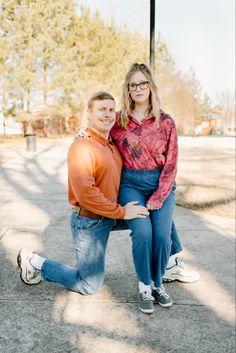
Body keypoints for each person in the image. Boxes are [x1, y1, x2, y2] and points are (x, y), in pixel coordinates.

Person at [17, 91, 149, 296]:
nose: (107, 114)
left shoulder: (110, 142)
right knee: (89, 286)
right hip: (90, 221)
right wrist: (122, 212)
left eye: (111, 110)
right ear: (89, 112)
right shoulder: (82, 146)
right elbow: (87, 194)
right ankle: (34, 262)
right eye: (101, 109)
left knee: (153, 217)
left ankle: (169, 263)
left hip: (110, 214)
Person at [109, 62, 199, 313]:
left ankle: (158, 284)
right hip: (130, 184)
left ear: (151, 86)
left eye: (142, 83)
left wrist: (159, 197)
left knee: (162, 236)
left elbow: (171, 164)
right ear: (127, 89)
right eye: (132, 84)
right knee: (143, 233)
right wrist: (83, 133)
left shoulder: (166, 122)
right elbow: (97, 133)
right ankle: (144, 286)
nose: (138, 88)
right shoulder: (118, 121)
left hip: (162, 184)